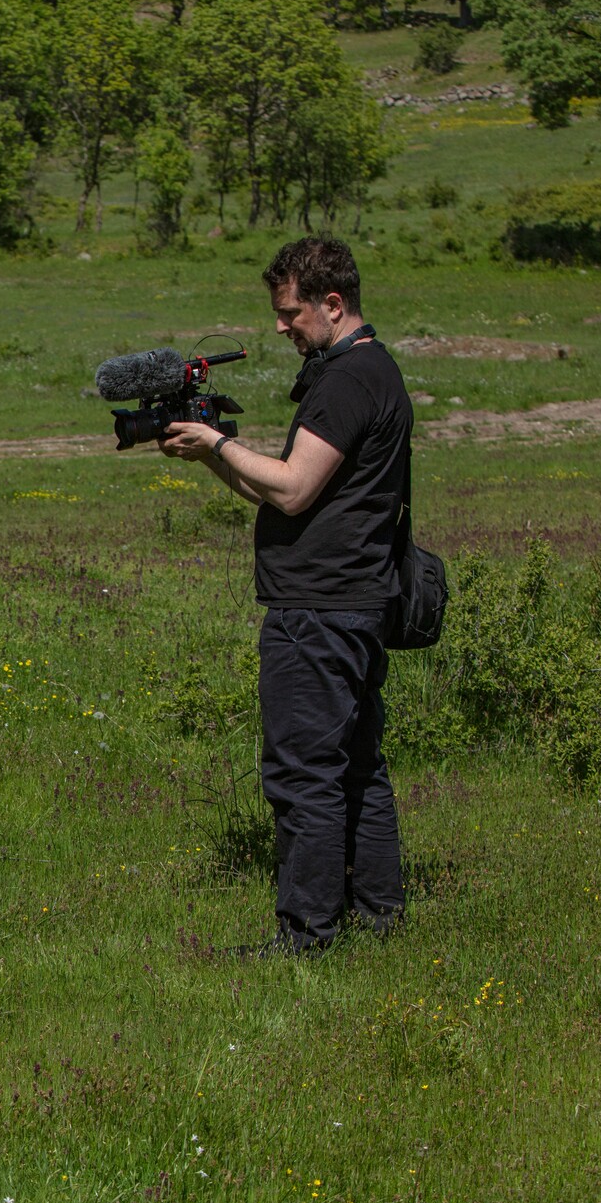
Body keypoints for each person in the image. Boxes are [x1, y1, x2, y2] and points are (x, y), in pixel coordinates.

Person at [158, 236, 411, 952]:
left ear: (334, 304)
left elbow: (294, 487)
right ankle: (379, 917)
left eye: (291, 312)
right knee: (358, 767)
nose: (280, 326)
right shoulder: (373, 369)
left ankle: (306, 934)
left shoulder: (348, 381)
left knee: (303, 774)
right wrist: (211, 453)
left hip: (321, 613)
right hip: (354, 600)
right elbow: (286, 499)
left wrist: (217, 445)